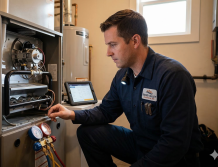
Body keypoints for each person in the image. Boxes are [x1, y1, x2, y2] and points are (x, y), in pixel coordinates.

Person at [48, 9, 203, 167]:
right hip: (141, 144)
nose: (108, 52)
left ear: (135, 41)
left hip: (175, 158)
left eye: (113, 45)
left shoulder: (172, 76)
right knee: (87, 133)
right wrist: (71, 114)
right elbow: (106, 111)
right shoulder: (123, 75)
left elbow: (174, 144)